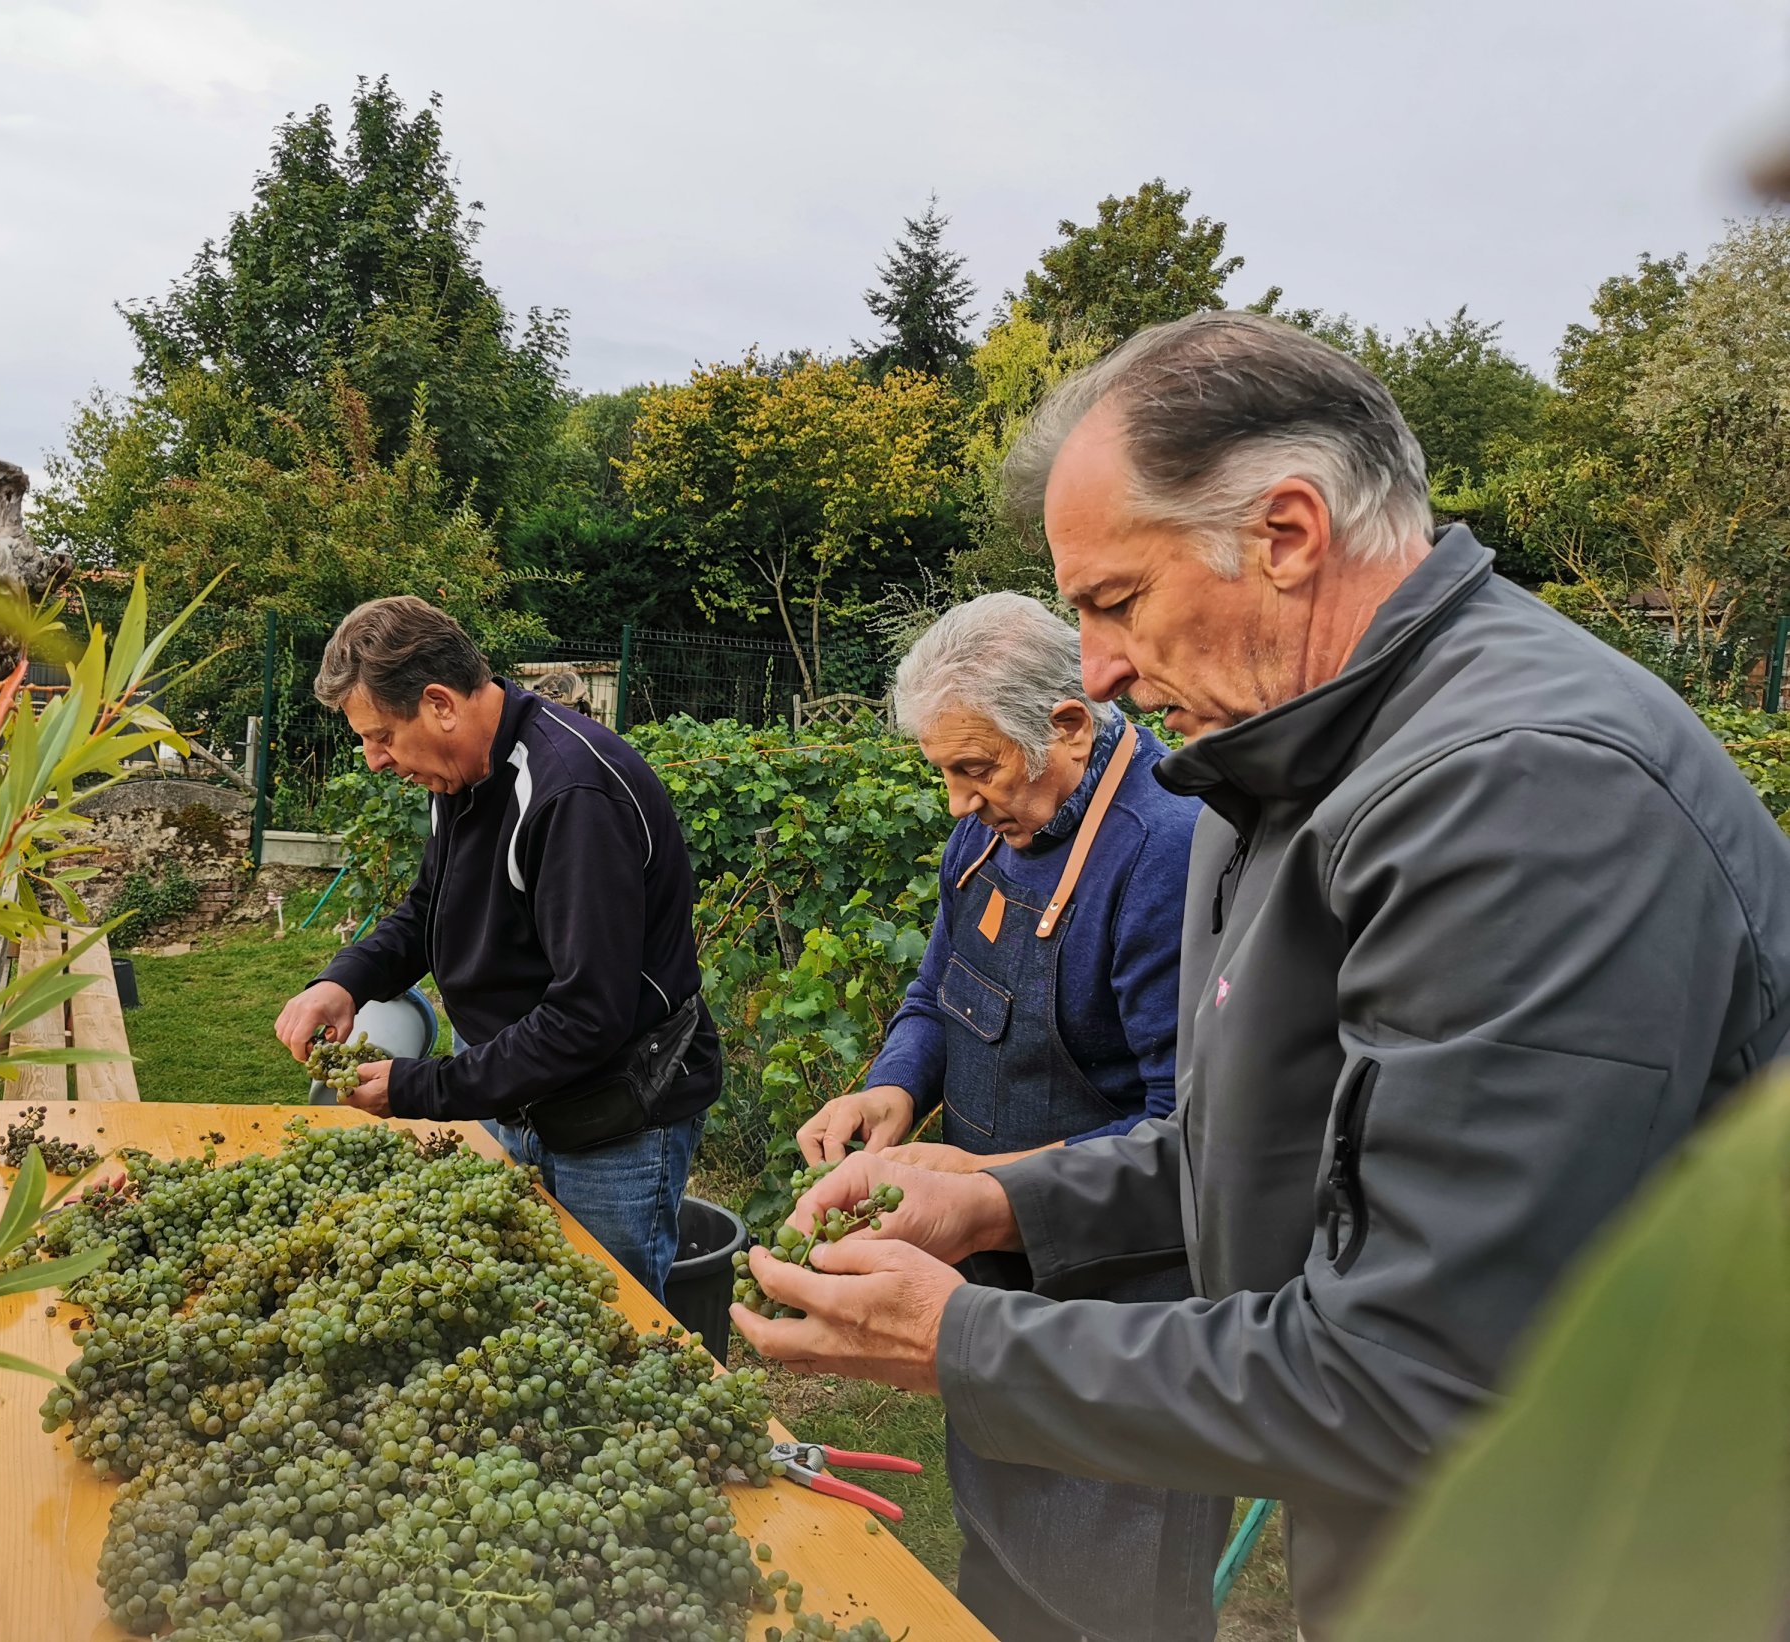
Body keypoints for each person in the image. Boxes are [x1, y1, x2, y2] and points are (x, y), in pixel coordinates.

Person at [731, 312, 1790, 1633]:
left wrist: (961, 1339)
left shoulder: (1523, 793)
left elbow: (1416, 1373)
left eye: (1115, 601)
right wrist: (995, 1203)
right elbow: (1257, 1149)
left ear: (1286, 535)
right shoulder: (1297, 760)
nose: (1100, 669)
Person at [794, 592, 1226, 1642]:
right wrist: (894, 1086)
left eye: (975, 768)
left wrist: (981, 1186)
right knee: (998, 1556)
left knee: (1106, 1594)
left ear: (1068, 726)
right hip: (990, 1275)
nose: (955, 802)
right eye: (943, 771)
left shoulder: (1167, 854)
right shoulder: (988, 837)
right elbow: (936, 992)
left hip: (1120, 1321)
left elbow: (1189, 1138)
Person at [274, 596, 721, 1298]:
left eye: (381, 736)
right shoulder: (465, 773)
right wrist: (345, 980)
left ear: (439, 704)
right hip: (513, 1094)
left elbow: (587, 1017)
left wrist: (422, 1087)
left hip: (613, 1118)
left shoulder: (572, 796)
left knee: (606, 1323)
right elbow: (432, 907)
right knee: (518, 1306)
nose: (373, 760)